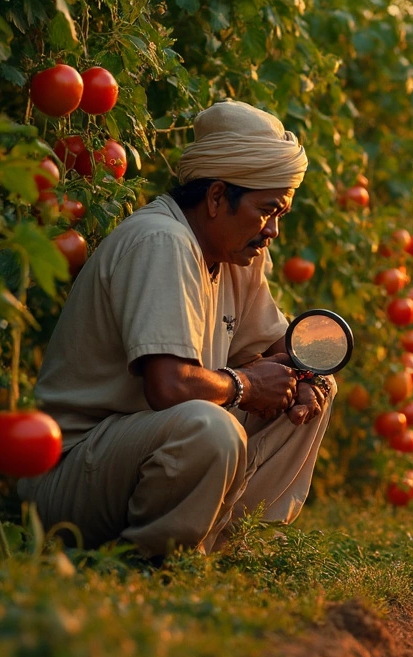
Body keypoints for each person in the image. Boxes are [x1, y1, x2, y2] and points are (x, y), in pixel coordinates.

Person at [17, 100, 334, 557]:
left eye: (280, 215)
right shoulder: (160, 241)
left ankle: (231, 548)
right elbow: (168, 386)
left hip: (135, 455)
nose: (273, 232)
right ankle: (148, 562)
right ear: (217, 197)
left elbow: (273, 344)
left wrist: (305, 374)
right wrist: (245, 384)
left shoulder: (235, 253)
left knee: (316, 385)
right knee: (209, 428)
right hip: (71, 474)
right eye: (268, 211)